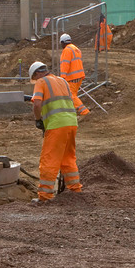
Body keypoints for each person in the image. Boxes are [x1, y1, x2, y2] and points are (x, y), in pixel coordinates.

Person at [29, 61, 83, 202]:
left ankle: (45, 196)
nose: (35, 80)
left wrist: (38, 120)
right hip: (71, 122)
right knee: (68, 158)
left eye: (34, 78)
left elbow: (37, 104)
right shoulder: (62, 81)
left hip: (56, 125)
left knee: (49, 159)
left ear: (36, 74)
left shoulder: (41, 82)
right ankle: (75, 190)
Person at [58, 33, 90, 117]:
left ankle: (84, 112)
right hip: (79, 76)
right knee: (73, 95)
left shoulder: (67, 50)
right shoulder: (76, 49)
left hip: (72, 78)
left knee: (71, 96)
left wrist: (62, 78)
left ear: (62, 42)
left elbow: (65, 64)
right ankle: (72, 112)